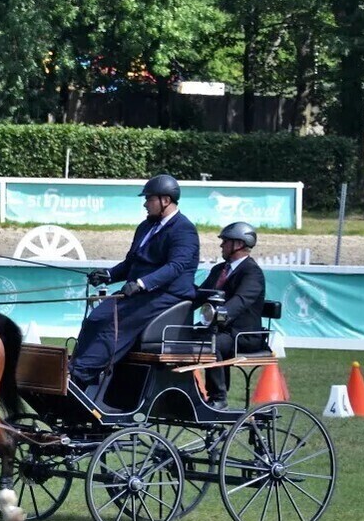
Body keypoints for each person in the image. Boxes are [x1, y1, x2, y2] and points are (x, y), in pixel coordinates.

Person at [71, 174, 200, 387]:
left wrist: (142, 283)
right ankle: (77, 367)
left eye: (149, 199)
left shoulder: (183, 229)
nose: (145, 203)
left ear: (165, 200)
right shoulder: (145, 227)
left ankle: (81, 375)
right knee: (96, 318)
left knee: (114, 323)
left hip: (168, 295)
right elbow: (132, 262)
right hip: (141, 292)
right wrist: (109, 275)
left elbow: (175, 267)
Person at [197, 221, 266, 409]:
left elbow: (241, 301)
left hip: (243, 335)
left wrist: (219, 314)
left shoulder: (252, 273)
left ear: (239, 244)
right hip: (220, 331)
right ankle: (190, 392)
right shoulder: (219, 270)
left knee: (213, 343)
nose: (221, 245)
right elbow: (201, 294)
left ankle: (218, 397)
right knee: (185, 337)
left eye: (225, 241)